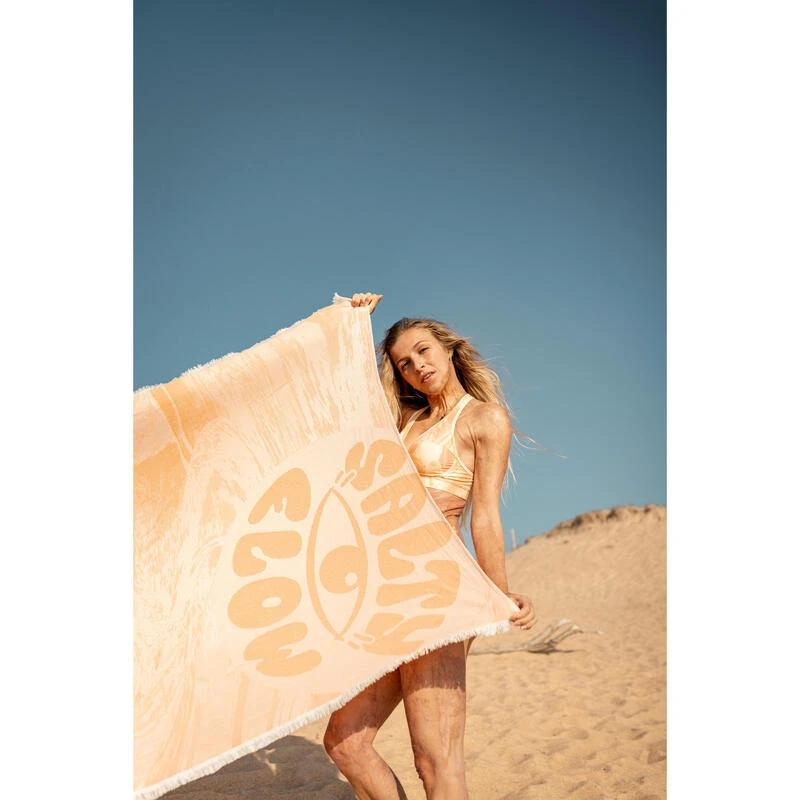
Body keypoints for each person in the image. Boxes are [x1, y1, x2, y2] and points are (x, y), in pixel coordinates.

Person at [323, 292, 536, 800]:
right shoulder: (403, 421)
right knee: (345, 741)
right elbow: (342, 401)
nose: (417, 365)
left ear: (448, 348)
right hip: (388, 596)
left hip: (439, 592)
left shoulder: (484, 419)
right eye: (404, 363)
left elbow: (485, 515)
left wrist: (498, 593)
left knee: (435, 760)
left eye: (423, 351)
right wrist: (355, 328)